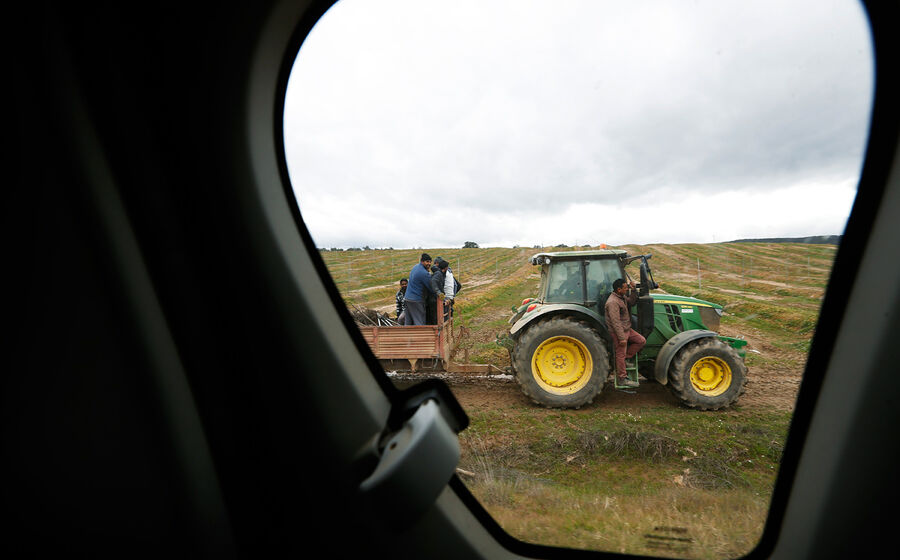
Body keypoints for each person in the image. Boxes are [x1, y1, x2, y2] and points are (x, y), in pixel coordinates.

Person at [604, 278, 645, 389]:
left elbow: (631, 302)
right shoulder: (613, 302)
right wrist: (622, 338)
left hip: (627, 329)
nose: (626, 289)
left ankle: (624, 360)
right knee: (620, 353)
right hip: (619, 331)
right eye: (625, 288)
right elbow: (615, 322)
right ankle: (622, 379)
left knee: (641, 341)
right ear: (618, 289)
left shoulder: (621, 297)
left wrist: (633, 290)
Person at [404, 253, 434, 326]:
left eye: (430, 262)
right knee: (419, 321)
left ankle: (407, 336)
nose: (429, 263)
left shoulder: (416, 267)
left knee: (408, 321)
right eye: (427, 261)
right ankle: (421, 336)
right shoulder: (423, 273)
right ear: (422, 261)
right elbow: (431, 287)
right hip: (416, 300)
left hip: (407, 298)